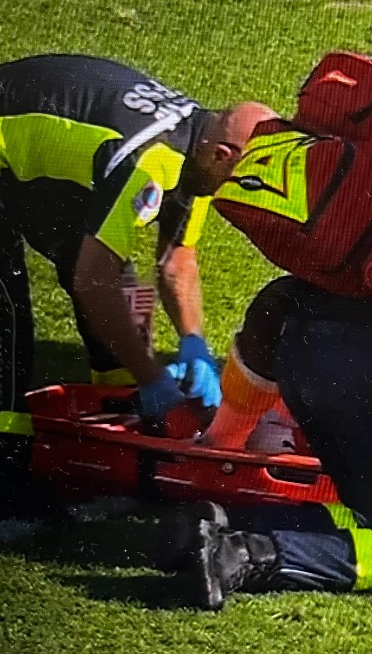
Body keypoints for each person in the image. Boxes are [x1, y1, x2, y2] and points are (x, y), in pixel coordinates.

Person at [162, 202, 372, 609]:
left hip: (301, 347)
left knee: (371, 515)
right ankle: (247, 553)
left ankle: (218, 520)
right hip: (369, 366)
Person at [0, 54, 276, 514]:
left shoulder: (199, 148)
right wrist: (154, 378)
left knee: (128, 297)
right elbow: (93, 280)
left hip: (31, 159)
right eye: (248, 177)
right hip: (8, 150)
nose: (248, 188)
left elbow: (176, 258)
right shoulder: (153, 161)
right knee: (7, 315)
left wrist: (194, 343)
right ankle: (8, 476)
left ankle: (117, 429)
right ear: (223, 156)